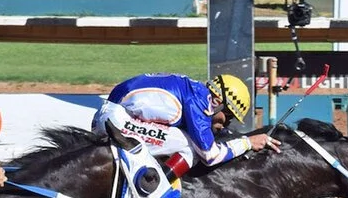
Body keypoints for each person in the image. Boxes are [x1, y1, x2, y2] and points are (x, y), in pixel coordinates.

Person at [93, 72, 281, 179]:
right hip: (115, 121)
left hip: (112, 115)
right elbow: (210, 156)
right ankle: (154, 189)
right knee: (190, 146)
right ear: (217, 102)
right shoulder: (200, 102)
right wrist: (247, 142)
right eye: (228, 116)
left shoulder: (196, 92)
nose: (225, 125)